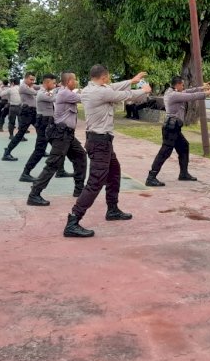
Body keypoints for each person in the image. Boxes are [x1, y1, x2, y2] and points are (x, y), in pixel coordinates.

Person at [64, 66, 151, 238]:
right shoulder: (100, 93)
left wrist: (131, 81)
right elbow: (125, 95)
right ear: (104, 77)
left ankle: (112, 209)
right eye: (108, 77)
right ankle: (73, 221)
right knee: (95, 182)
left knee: (114, 173)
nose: (110, 80)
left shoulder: (93, 88)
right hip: (100, 142)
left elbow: (114, 87)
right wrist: (143, 89)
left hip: (101, 141)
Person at [27, 72, 87, 206]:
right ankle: (34, 194)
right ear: (70, 81)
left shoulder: (64, 92)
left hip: (68, 134)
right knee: (53, 164)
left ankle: (79, 189)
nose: (76, 82)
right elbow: (85, 98)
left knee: (80, 156)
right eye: (75, 80)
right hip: (61, 135)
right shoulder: (65, 93)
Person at [145, 76, 210, 186]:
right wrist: (207, 93)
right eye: (182, 84)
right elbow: (191, 96)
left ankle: (183, 173)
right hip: (171, 128)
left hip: (174, 127)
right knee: (165, 152)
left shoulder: (171, 91)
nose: (184, 86)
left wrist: (202, 87)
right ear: (177, 85)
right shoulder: (174, 95)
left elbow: (188, 91)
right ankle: (151, 177)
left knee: (184, 146)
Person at [19, 74, 58, 182]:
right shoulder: (42, 93)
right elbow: (56, 98)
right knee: (40, 150)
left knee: (59, 147)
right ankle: (25, 173)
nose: (54, 85)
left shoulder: (45, 92)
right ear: (47, 83)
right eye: (53, 83)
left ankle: (60, 170)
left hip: (48, 123)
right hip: (44, 123)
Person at [2, 72, 37, 161]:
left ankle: (40, 150)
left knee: (42, 131)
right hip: (27, 112)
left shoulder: (29, 86)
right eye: (31, 79)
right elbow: (35, 92)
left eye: (33, 80)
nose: (32, 81)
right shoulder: (23, 87)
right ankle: (7, 152)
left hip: (32, 112)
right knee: (20, 134)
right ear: (25, 79)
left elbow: (38, 87)